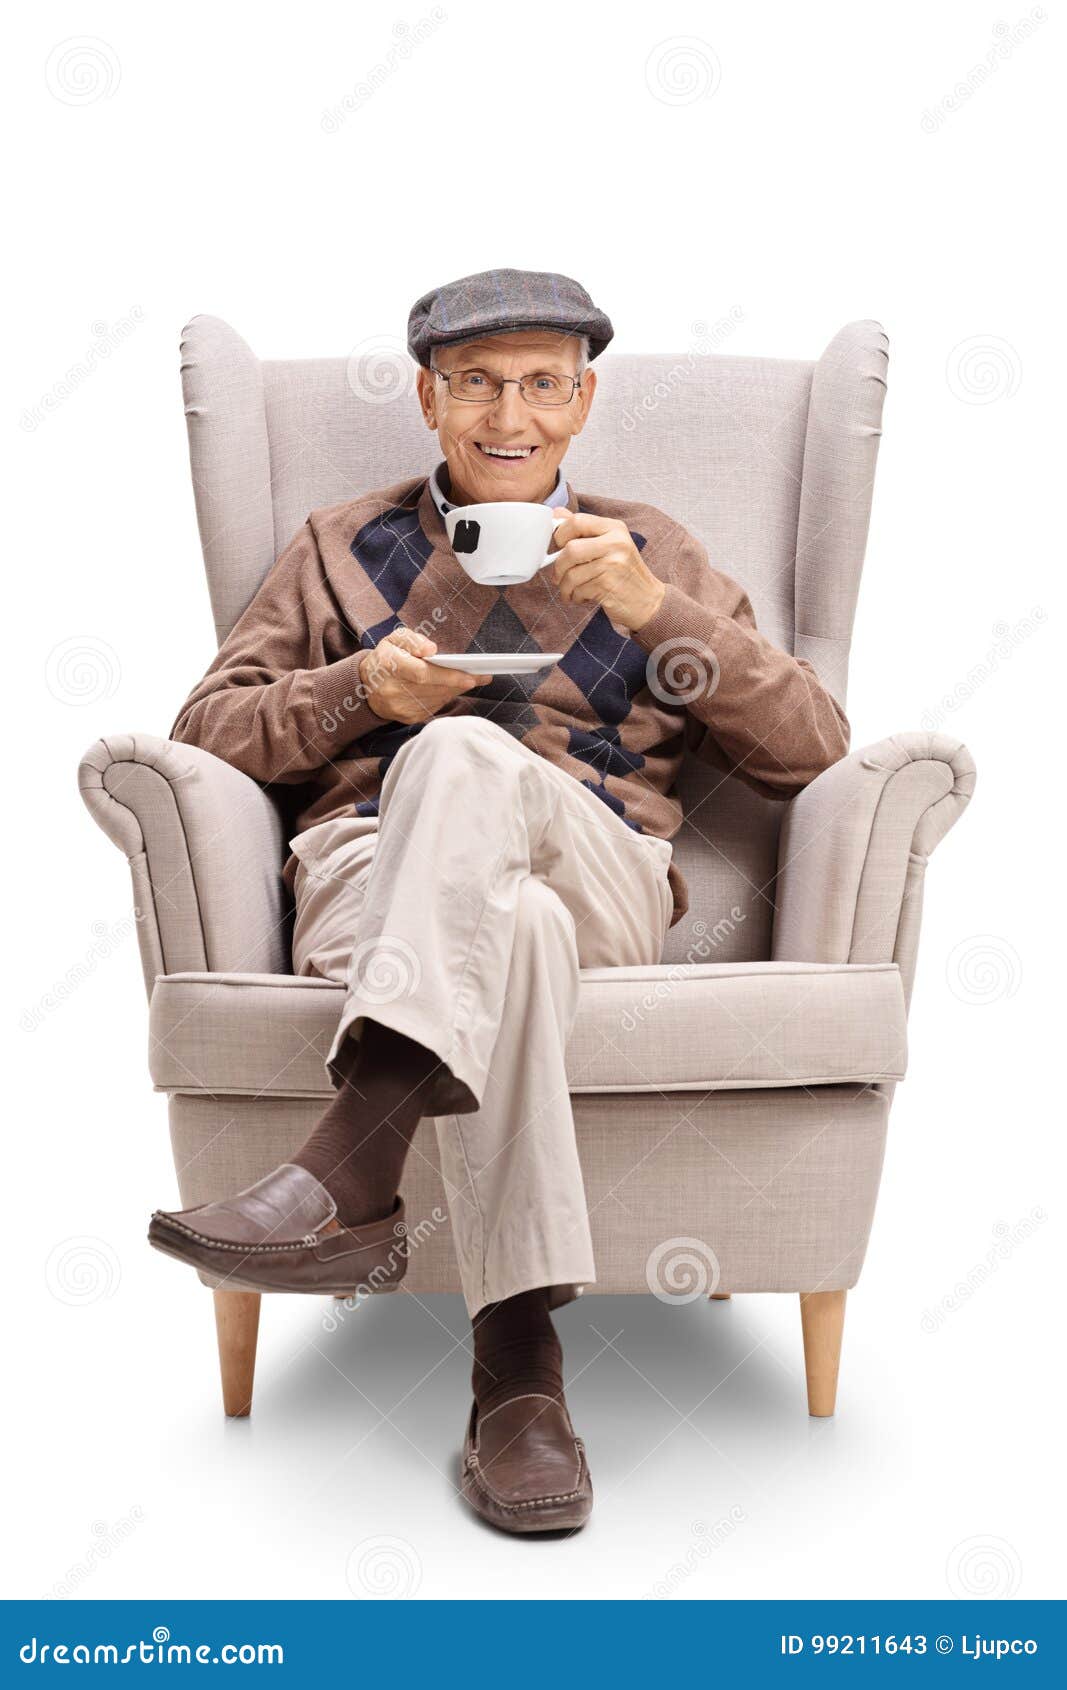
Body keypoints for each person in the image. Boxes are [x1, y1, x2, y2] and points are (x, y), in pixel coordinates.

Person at [149, 267, 849, 1533]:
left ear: (583, 403)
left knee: (476, 763)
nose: (507, 414)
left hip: (601, 870)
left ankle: (346, 1170)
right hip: (374, 876)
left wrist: (660, 611)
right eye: (475, 383)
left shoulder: (655, 551)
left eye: (540, 383)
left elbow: (812, 746)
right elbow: (203, 730)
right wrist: (358, 695)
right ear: (427, 397)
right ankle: (516, 1376)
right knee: (494, 900)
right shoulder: (332, 548)